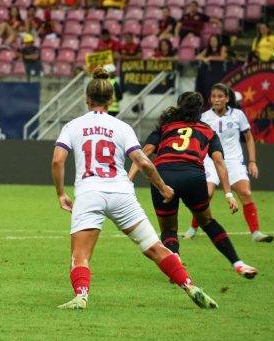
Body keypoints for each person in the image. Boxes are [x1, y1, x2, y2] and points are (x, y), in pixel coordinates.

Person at [52, 69, 218, 310]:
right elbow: (143, 161)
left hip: (90, 193)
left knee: (80, 255)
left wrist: (60, 193)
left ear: (87, 99)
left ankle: (81, 295)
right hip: (121, 194)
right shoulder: (122, 127)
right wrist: (162, 187)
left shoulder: (73, 126)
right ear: (110, 101)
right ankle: (189, 284)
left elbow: (58, 161)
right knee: (155, 248)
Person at [127, 91, 258, 279]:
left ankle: (176, 265)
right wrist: (228, 194)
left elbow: (143, 153)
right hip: (193, 177)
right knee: (207, 222)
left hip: (164, 177)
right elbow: (220, 162)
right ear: (200, 109)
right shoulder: (207, 130)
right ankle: (238, 263)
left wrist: (129, 179)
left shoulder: (166, 126)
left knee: (169, 229)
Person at [183, 84, 274, 243]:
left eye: (219, 96)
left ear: (227, 98)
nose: (216, 100)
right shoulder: (204, 117)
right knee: (206, 194)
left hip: (233, 161)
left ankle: (255, 233)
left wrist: (252, 161)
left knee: (245, 192)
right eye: (213, 97)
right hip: (210, 160)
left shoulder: (238, 115)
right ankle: (192, 229)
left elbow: (249, 138)